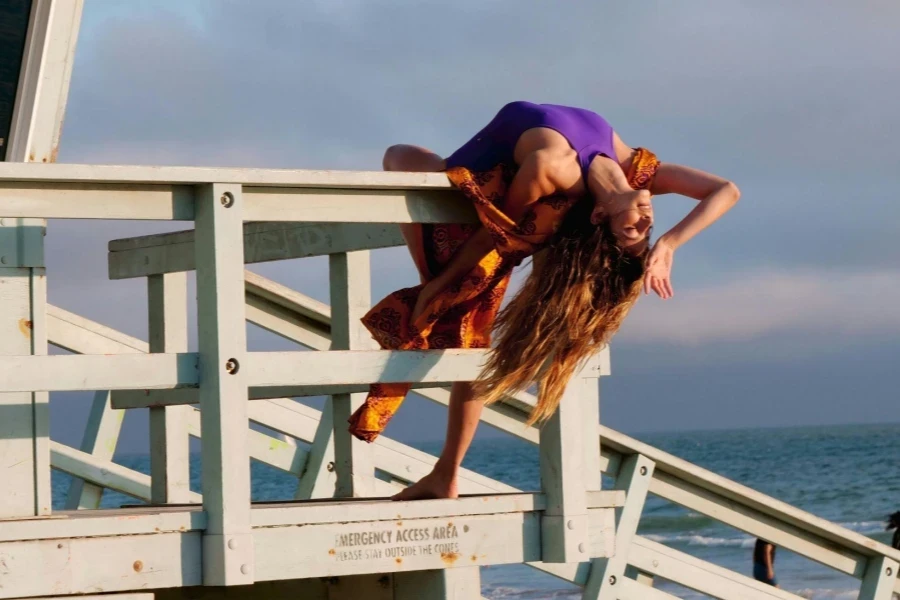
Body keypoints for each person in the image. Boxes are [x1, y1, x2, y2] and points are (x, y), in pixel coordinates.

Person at [348, 101, 740, 500]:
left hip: (483, 191)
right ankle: (445, 475)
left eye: (631, 231)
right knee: (463, 325)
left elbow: (496, 230)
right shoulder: (635, 169)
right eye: (648, 227)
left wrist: (439, 282)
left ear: (600, 215)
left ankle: (445, 473)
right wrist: (670, 243)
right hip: (504, 169)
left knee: (398, 157)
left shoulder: (554, 167)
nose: (643, 222)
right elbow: (726, 190)